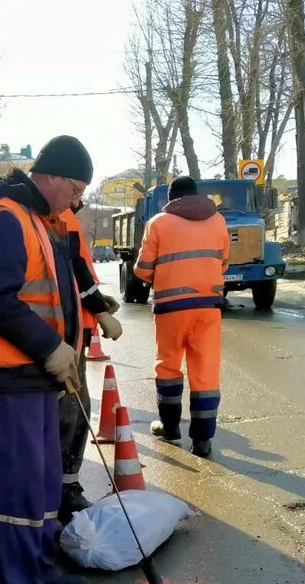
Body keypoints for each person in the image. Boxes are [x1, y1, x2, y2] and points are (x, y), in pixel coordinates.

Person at [0, 136, 95, 584]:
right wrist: (49, 348)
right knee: (20, 489)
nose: (77, 199)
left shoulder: (37, 221)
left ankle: (37, 570)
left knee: (40, 485)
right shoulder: (3, 219)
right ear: (53, 176)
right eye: (76, 187)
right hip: (11, 375)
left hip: (35, 376)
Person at [134, 175, 230, 457]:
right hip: (208, 305)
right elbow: (223, 262)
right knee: (206, 370)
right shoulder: (218, 221)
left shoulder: (159, 223)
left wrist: (161, 276)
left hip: (171, 307)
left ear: (171, 199)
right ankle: (202, 440)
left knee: (168, 365)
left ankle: (170, 426)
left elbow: (142, 268)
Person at [49, 198, 123, 520]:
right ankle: (64, 491)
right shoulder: (59, 216)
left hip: (75, 327)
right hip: (65, 334)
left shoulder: (61, 215)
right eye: (76, 188)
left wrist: (98, 304)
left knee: (76, 410)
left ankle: (65, 487)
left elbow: (78, 270)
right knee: (73, 411)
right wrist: (99, 309)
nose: (80, 198)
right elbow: (72, 271)